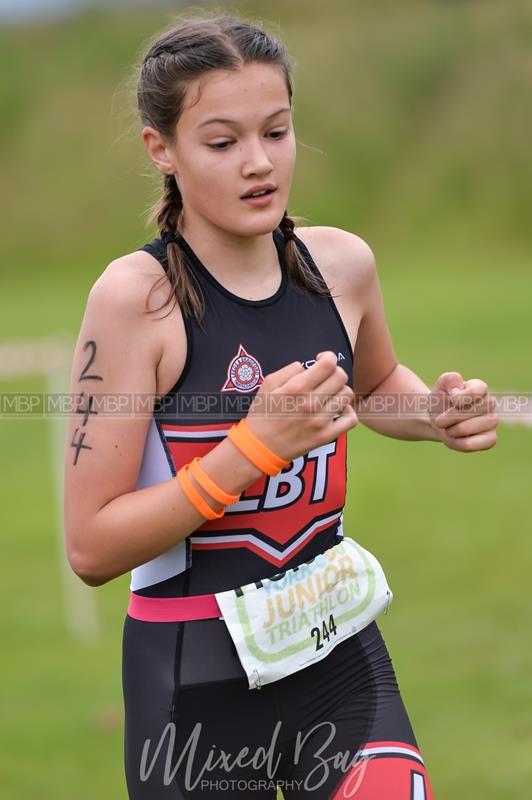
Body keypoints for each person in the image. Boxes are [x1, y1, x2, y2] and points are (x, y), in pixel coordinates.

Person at [64, 13, 498, 800]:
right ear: (160, 150)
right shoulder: (137, 300)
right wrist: (252, 451)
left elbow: (374, 390)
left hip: (338, 652)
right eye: (223, 142)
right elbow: (90, 548)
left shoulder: (341, 264)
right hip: (191, 684)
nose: (259, 163)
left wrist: (435, 414)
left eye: (278, 131)